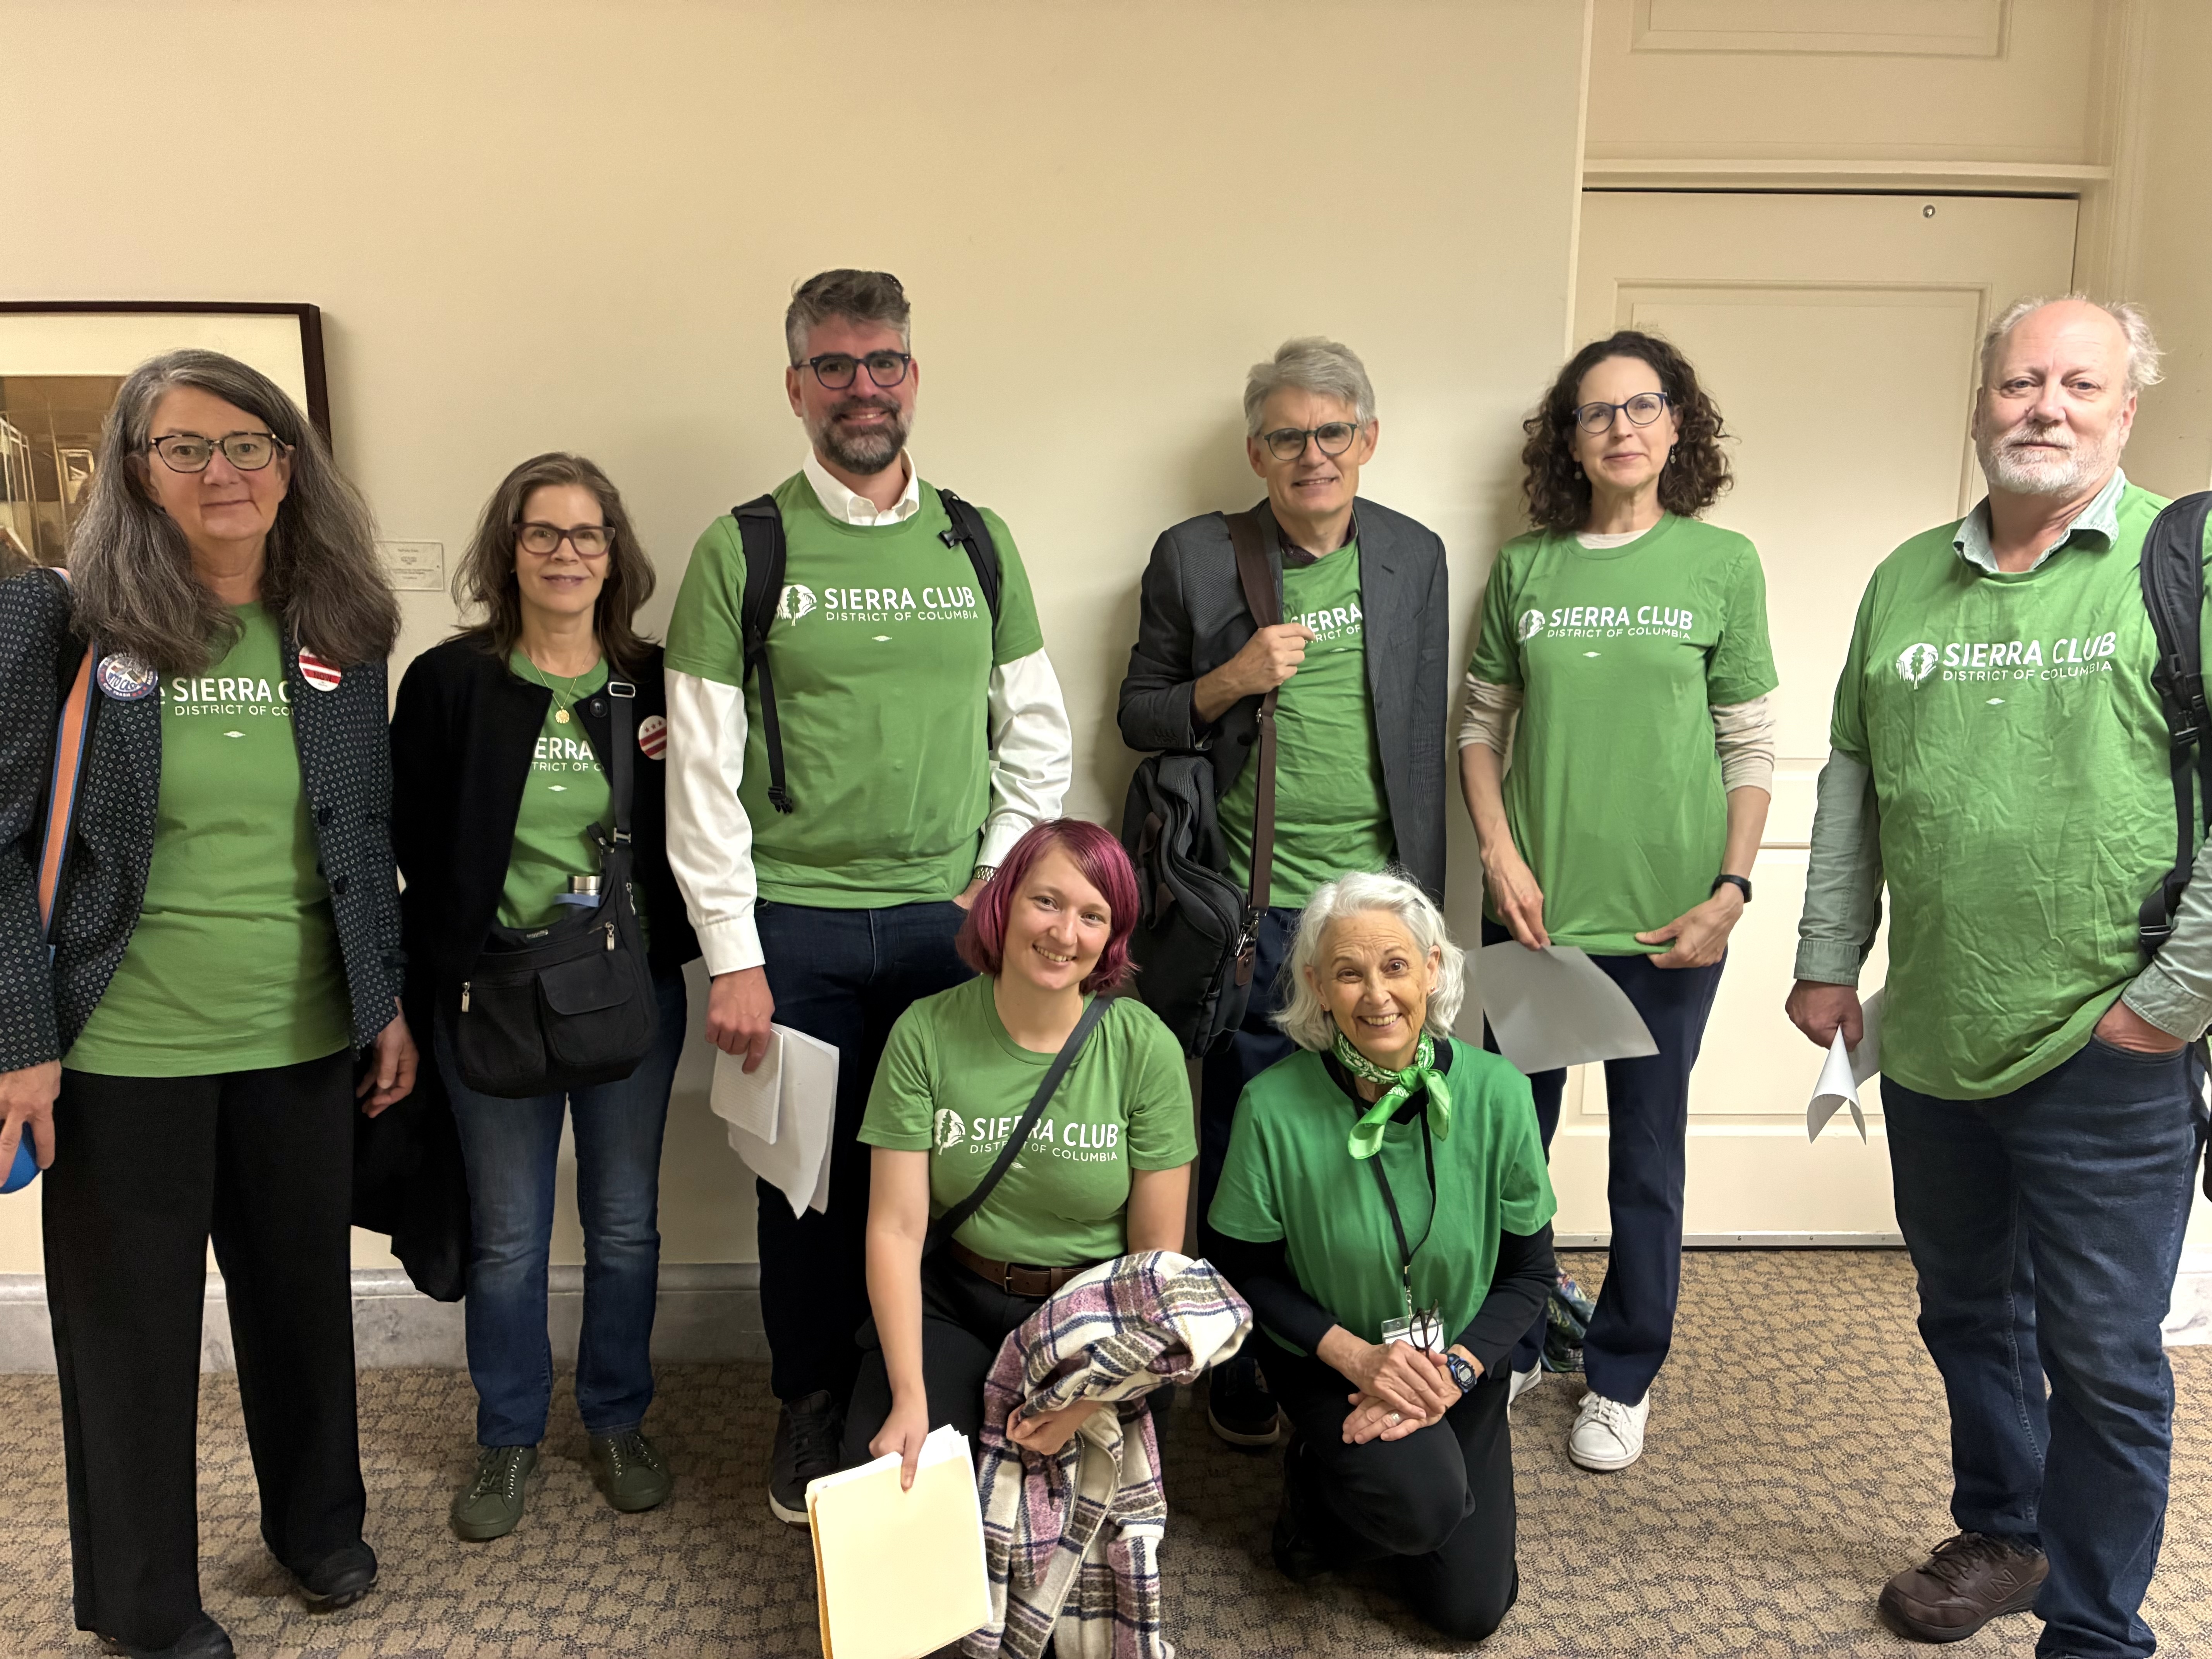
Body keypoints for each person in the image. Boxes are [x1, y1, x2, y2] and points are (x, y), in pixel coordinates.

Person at [1787, 295, 2210, 1659]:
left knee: (2101, 1355)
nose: (2044, 406)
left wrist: (2169, 1005)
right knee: (1968, 1306)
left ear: (2125, 410)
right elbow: (1854, 776)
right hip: (1932, 1032)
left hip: (2114, 1042)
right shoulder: (1907, 575)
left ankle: (2094, 1630)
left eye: (2079, 385)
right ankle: (2005, 1526)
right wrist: (1824, 958)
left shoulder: (2179, 561)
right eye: (2021, 380)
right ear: (1979, 402)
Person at [0, 350, 414, 1659]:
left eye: (251, 443)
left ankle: (318, 1528)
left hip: (300, 1037)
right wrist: (20, 1044)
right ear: (135, 468)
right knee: (131, 1343)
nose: (225, 471)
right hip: (123, 1051)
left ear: (292, 464)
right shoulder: (61, 625)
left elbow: (359, 836)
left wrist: (384, 1000)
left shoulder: (337, 627)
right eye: (187, 447)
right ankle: (141, 1602)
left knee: (303, 1305)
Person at [663, 269, 1073, 1522]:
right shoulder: (746, 547)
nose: (863, 388)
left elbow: (1039, 737)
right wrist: (733, 951)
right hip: (793, 927)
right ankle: (807, 1402)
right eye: (835, 366)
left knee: (947, 1174)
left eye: (883, 362)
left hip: (952, 925)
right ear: (796, 387)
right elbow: (700, 767)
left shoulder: (978, 538)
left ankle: (928, 1395)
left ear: (912, 375)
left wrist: (990, 889)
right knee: (806, 1184)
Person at [1117, 337, 1449, 1446]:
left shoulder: (1415, 555)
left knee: (1369, 1144)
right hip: (1251, 922)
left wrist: (1429, 915)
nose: (1313, 454)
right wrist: (1234, 679)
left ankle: (1356, 1347)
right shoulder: (1197, 559)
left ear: (1367, 439)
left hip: (1379, 918)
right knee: (1251, 1148)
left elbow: (1419, 741)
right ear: (1257, 453)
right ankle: (1246, 1354)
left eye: (1333, 431)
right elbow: (1143, 717)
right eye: (1287, 436)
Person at [1458, 330, 1775, 1470]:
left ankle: (1627, 1369)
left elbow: (1749, 744)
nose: (1623, 427)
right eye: (1597, 412)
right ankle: (1515, 1336)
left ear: (1679, 425)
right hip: (1539, 919)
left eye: (1644, 406)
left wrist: (1732, 888)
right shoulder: (1528, 569)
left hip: (1671, 922)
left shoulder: (1721, 564)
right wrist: (1499, 855)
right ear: (1570, 439)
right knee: (1509, 1147)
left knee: (1648, 1151)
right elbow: (1480, 730)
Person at [391, 453, 700, 1541]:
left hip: (626, 995)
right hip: (490, 994)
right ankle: (507, 1435)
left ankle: (617, 1418)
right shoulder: (448, 683)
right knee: (509, 1236)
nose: (566, 554)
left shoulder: (658, 682)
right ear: (508, 548)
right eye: (543, 534)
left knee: (625, 1226)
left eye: (587, 535)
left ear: (616, 552)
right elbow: (409, 846)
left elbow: (715, 826)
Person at [1207, 871, 1555, 1641]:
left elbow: (1531, 1273)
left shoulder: (1500, 1095)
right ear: (1315, 986)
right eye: (1348, 973)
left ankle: (1372, 1488)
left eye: (1396, 966)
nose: (1376, 996)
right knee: (1424, 1504)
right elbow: (1241, 1265)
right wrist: (1359, 1362)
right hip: (1330, 1357)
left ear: (1434, 968)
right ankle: (1317, 1495)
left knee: (1470, 1613)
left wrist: (1455, 1371)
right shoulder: (1273, 1105)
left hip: (1452, 1359)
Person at [845, 818, 1193, 1479]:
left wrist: (1090, 1396)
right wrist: (909, 1397)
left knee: (1066, 1517)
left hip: (1092, 1316)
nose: (1066, 934)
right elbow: (894, 1226)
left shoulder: (1144, 1047)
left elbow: (1155, 1263)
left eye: (1094, 915)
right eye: (1047, 902)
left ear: (1112, 937)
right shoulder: (926, 1032)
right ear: (1004, 903)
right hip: (956, 1298)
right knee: (900, 1482)